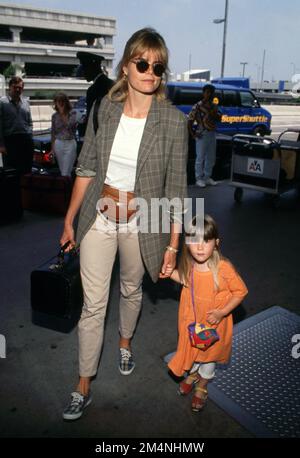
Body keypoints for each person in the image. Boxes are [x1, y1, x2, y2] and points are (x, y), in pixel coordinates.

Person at [60, 27, 188, 420]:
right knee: (93, 305)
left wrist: (172, 246)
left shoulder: (173, 122)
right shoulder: (105, 110)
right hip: (99, 216)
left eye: (158, 66)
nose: (151, 71)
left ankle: (126, 342)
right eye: (143, 63)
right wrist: (69, 220)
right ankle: (83, 382)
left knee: (132, 289)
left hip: (142, 221)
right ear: (127, 66)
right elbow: (85, 168)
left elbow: (178, 191)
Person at [161, 214, 248, 412]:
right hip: (192, 321)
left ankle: (202, 386)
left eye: (206, 241)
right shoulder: (189, 264)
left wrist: (222, 312)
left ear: (216, 243)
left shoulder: (223, 268)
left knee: (208, 359)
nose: (200, 247)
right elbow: (185, 279)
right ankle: (192, 374)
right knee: (192, 355)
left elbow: (241, 291)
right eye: (194, 241)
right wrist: (169, 273)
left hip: (213, 324)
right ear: (187, 243)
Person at [188, 84, 221, 188]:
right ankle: (199, 179)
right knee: (200, 157)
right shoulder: (197, 106)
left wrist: (215, 113)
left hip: (212, 133)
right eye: (207, 92)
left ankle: (207, 177)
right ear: (203, 93)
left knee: (211, 157)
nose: (209, 94)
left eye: (211, 92)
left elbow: (219, 118)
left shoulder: (214, 106)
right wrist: (193, 133)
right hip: (201, 134)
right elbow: (190, 120)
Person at [0, 76, 33, 175]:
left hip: (26, 140)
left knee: (26, 171)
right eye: (15, 87)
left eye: (20, 87)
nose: (18, 90)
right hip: (10, 141)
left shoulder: (26, 102)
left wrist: (30, 136)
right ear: (9, 87)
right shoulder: (2, 102)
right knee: (11, 172)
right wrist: (1, 145)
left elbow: (30, 122)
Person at [76, 51, 114, 136]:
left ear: (92, 68)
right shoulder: (113, 84)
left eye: (84, 69)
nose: (83, 73)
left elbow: (92, 119)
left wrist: (81, 127)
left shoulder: (93, 90)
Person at [50, 93, 77, 177]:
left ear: (66, 102)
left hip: (70, 143)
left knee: (66, 171)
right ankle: (66, 188)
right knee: (63, 171)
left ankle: (67, 188)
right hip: (59, 144)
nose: (60, 103)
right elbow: (53, 132)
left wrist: (62, 113)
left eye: (62, 101)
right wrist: (52, 149)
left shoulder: (72, 113)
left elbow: (69, 125)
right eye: (58, 101)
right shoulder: (54, 116)